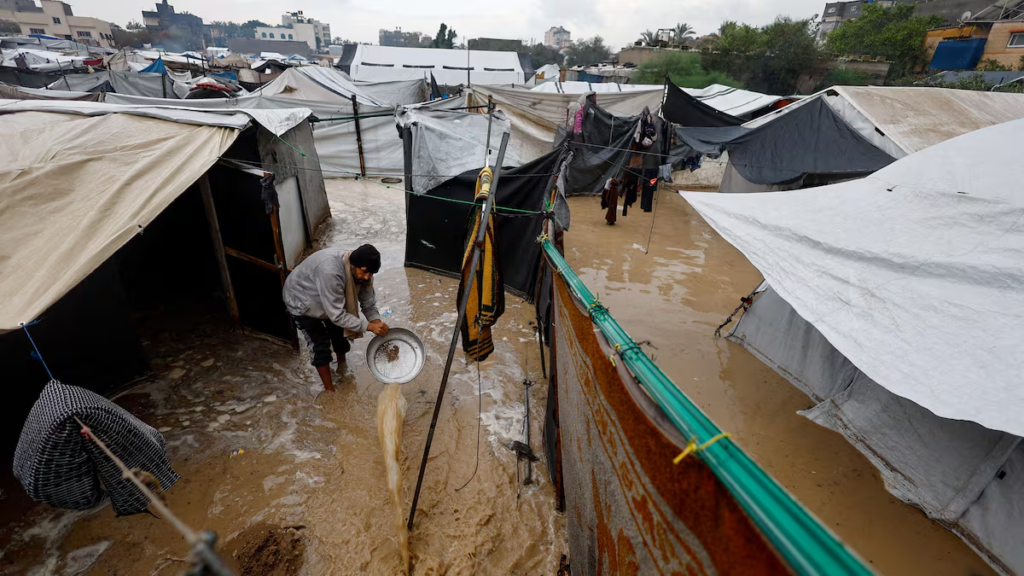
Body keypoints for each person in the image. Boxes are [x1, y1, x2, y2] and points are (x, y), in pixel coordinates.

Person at [282, 244, 389, 392]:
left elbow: (368, 303)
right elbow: (337, 315)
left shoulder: (365, 273)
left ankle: (342, 369)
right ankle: (330, 391)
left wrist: (377, 322)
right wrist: (369, 326)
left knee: (340, 334)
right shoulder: (331, 271)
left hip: (328, 297)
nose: (367, 277)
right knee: (319, 344)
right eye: (364, 272)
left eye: (371, 273)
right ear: (353, 265)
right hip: (301, 299)